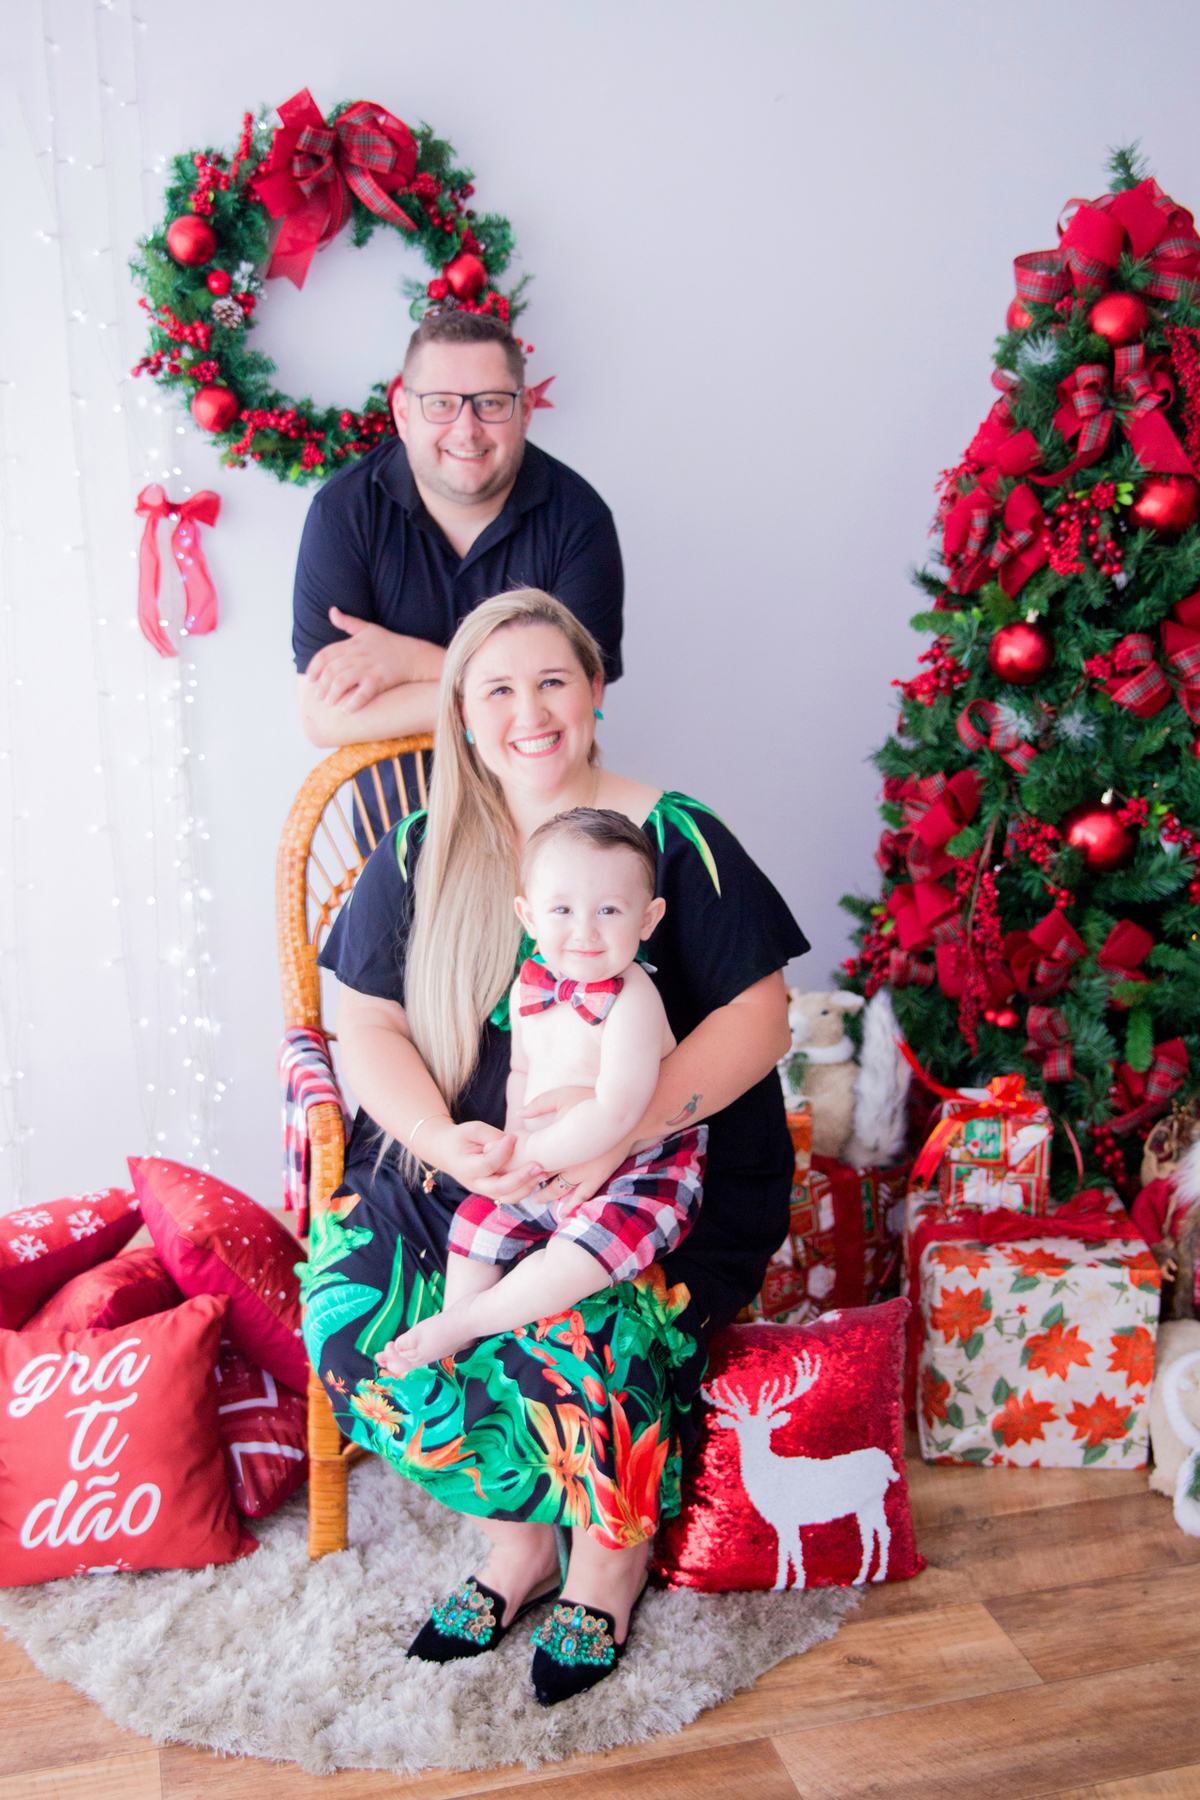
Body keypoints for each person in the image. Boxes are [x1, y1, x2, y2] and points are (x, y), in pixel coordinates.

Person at [305, 589, 807, 1706]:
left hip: (656, 1176)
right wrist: (441, 1138)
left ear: (592, 694)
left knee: (582, 1321)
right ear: (462, 715)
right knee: (354, 1314)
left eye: (552, 682)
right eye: (498, 689)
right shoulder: (422, 849)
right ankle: (516, 1539)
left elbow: (763, 1020)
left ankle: (605, 1563)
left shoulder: (670, 835)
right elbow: (365, 1024)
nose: (529, 712)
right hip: (470, 1173)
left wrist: (618, 1131)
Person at [378, 807, 705, 1374]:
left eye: (609, 909)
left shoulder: (632, 999)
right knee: (478, 1218)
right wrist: (514, 1141)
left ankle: (472, 1321)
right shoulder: (531, 986)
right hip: (553, 1153)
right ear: (528, 916)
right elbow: (522, 1075)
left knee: (574, 1261)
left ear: (648, 919)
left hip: (641, 1166)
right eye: (562, 909)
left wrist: (532, 1155)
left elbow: (619, 1108)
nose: (584, 930)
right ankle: (454, 1318)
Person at [293, 310, 623, 752]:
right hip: (397, 815)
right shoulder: (343, 513)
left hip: (539, 806)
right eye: (441, 403)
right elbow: (323, 718)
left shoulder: (579, 520)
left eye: (490, 402)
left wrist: (413, 663)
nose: (467, 430)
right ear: (404, 413)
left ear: (523, 411)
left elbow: (578, 702)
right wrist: (516, 689)